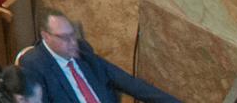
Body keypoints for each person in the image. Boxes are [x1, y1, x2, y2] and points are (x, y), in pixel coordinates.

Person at [19, 8, 180, 103]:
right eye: (64, 37)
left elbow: (129, 82)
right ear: (46, 36)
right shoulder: (34, 64)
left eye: (73, 34)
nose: (73, 42)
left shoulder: (82, 51)